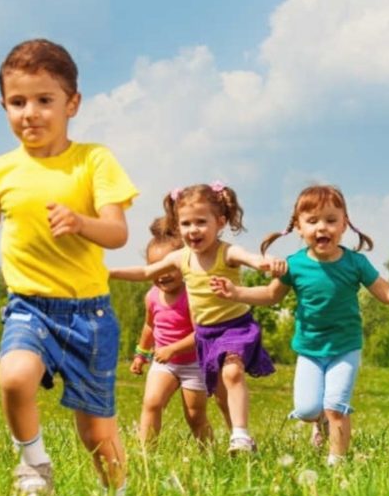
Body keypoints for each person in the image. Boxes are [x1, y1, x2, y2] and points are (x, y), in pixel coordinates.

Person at [0, 39, 135, 496]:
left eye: (44, 100)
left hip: (89, 316)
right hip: (28, 306)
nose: (30, 112)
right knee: (14, 377)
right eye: (17, 102)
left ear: (72, 104)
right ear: (4, 106)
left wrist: (80, 222)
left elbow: (117, 233)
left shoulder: (94, 160)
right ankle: (34, 466)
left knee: (96, 432)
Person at [212, 185, 389, 465]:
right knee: (307, 409)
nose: (321, 227)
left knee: (336, 407)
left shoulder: (356, 263)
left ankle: (336, 464)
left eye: (330, 220)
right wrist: (236, 292)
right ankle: (319, 422)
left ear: (344, 224)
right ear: (299, 228)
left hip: (345, 348)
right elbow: (269, 295)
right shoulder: (295, 265)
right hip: (310, 350)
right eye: (312, 221)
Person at [111, 182, 281, 454]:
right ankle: (151, 455)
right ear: (177, 227)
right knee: (196, 400)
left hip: (233, 329)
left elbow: (251, 258)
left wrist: (267, 262)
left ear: (220, 222)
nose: (193, 230)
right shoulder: (180, 257)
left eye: (201, 222)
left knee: (228, 379)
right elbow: (145, 273)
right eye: (186, 224)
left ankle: (239, 436)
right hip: (205, 336)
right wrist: (107, 272)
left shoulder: (227, 252)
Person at [128, 218, 224, 445]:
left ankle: (210, 455)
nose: (163, 274)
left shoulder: (192, 295)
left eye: (169, 267)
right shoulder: (151, 296)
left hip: (194, 364)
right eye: (156, 268)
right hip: (165, 363)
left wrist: (172, 349)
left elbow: (202, 333)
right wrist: (141, 353)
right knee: (151, 403)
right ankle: (146, 454)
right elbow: (150, 325)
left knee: (195, 415)